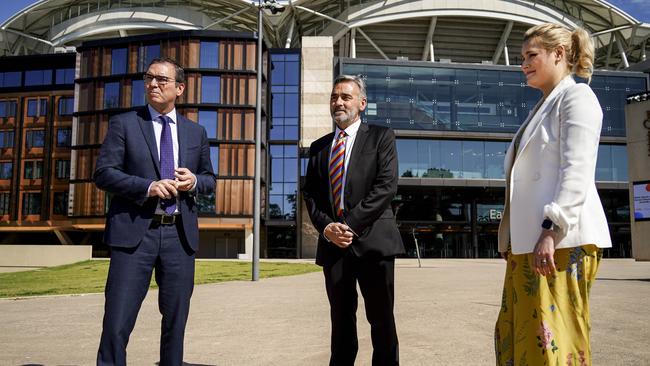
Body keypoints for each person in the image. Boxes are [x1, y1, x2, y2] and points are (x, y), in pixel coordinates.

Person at [494, 23, 612, 366]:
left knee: (554, 339)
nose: (524, 64)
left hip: (560, 240)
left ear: (559, 54)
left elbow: (576, 169)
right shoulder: (540, 109)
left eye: (532, 55)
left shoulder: (577, 97)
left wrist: (552, 227)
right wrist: (511, 238)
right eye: (522, 58)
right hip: (531, 243)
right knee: (521, 335)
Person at [94, 57, 215, 365]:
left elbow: (209, 180)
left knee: (176, 321)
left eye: (162, 79)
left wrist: (193, 182)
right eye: (149, 78)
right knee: (117, 321)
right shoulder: (124, 123)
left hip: (179, 236)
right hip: (134, 235)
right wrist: (146, 187)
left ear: (179, 88)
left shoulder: (195, 132)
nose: (153, 84)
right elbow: (104, 173)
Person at [303, 74, 405, 366]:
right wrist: (327, 228)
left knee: (381, 320)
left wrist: (350, 225)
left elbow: (386, 186)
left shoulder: (381, 136)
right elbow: (310, 195)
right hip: (334, 248)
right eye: (334, 97)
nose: (338, 102)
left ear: (361, 103)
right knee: (341, 321)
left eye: (345, 97)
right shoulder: (319, 146)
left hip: (374, 244)